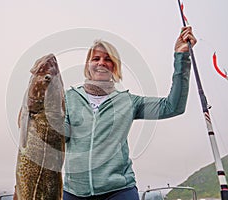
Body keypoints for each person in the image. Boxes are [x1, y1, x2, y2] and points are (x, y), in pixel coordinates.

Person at [63, 26, 197, 200]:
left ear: (114, 67)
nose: (101, 63)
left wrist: (182, 57)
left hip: (119, 191)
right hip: (73, 192)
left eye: (108, 59)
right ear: (88, 65)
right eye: (96, 58)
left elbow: (172, 106)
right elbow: (58, 134)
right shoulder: (68, 98)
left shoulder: (129, 102)